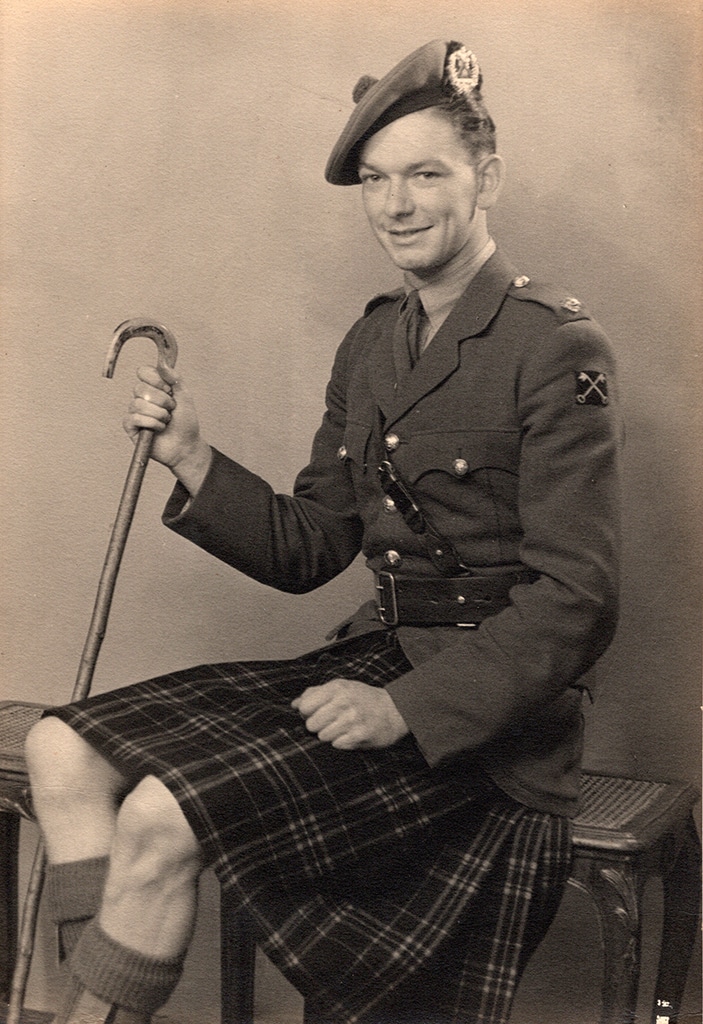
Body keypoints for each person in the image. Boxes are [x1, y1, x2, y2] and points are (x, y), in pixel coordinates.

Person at [25, 38, 622, 1024]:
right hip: (374, 660)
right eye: (376, 180)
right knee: (59, 748)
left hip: (483, 724)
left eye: (426, 174)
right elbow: (312, 547)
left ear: (486, 180)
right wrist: (192, 457)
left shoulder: (554, 347)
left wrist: (406, 709)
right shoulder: (373, 339)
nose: (396, 205)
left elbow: (577, 599)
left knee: (160, 814)